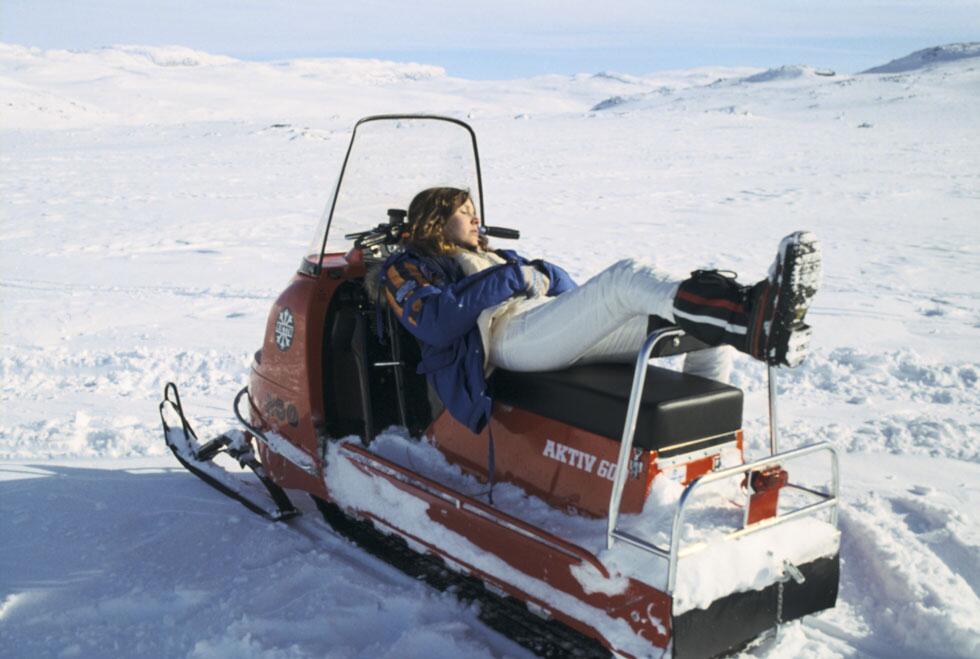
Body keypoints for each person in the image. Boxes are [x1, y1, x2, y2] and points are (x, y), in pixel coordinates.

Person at [378, 187, 820, 435]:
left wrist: (538, 275)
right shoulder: (409, 267)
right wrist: (517, 278)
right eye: (464, 213)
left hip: (542, 328)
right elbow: (435, 323)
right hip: (505, 341)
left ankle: (710, 438)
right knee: (625, 276)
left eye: (475, 213)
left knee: (700, 328)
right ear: (434, 222)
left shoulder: (500, 256)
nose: (477, 221)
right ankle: (751, 321)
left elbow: (569, 293)